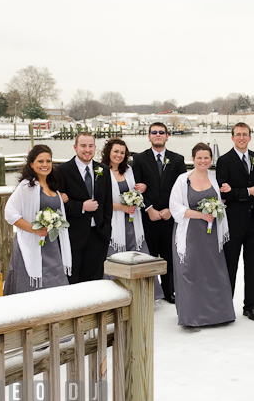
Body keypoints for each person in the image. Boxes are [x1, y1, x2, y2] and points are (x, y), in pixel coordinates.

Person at [170, 143, 235, 327]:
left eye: (206, 158)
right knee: (189, 271)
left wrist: (219, 205)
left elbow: (222, 201)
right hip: (190, 233)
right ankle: (191, 316)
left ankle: (219, 315)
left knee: (214, 271)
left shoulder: (215, 179)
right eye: (199, 157)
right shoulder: (183, 180)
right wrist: (201, 215)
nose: (203, 161)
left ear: (211, 159)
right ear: (193, 158)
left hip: (211, 235)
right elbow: (175, 208)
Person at [216, 122, 254, 321]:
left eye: (245, 134)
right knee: (230, 267)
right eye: (238, 134)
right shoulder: (224, 160)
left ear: (249, 137)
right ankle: (225, 307)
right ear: (232, 137)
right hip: (233, 222)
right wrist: (247, 192)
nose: (241, 138)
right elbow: (224, 194)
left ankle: (250, 306)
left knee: (253, 266)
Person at [101, 137, 164, 300]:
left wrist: (142, 187)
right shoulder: (100, 171)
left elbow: (138, 187)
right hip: (115, 222)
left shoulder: (129, 170)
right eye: (116, 151)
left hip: (132, 221)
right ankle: (116, 296)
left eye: (122, 152)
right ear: (108, 152)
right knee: (116, 256)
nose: (119, 155)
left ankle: (144, 295)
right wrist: (122, 207)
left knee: (138, 255)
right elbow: (101, 200)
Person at [4, 145, 72, 294]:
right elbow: (10, 213)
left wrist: (61, 199)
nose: (45, 165)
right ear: (31, 164)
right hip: (31, 243)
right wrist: (34, 228)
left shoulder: (53, 185)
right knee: (30, 285)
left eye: (48, 161)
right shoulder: (27, 186)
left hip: (51, 244)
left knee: (56, 282)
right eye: (40, 161)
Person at [132, 123, 187, 303]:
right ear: (149, 136)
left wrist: (171, 210)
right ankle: (149, 293)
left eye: (161, 132)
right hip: (148, 216)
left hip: (170, 216)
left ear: (167, 136)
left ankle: (168, 291)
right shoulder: (139, 160)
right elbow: (136, 188)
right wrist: (149, 208)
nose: (157, 135)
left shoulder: (177, 160)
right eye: (154, 132)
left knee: (169, 255)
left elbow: (182, 188)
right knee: (148, 255)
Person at [57, 133, 113, 283]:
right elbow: (58, 204)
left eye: (90, 146)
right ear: (75, 148)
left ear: (95, 148)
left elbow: (107, 203)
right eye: (83, 146)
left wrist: (106, 228)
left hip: (99, 234)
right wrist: (81, 206)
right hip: (74, 234)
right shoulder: (62, 171)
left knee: (95, 279)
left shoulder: (104, 170)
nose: (87, 150)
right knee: (74, 279)